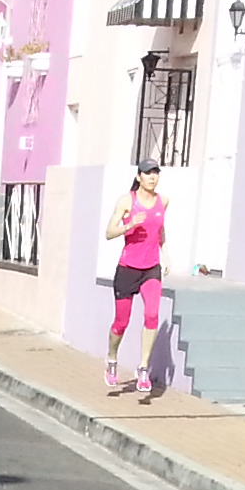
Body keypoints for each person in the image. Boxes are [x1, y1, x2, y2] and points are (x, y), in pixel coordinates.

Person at [102, 163, 168, 401]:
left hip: (151, 268)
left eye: (155, 173)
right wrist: (129, 225)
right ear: (139, 177)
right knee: (121, 322)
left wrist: (166, 254)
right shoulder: (126, 201)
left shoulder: (163, 201)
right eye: (148, 173)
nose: (152, 177)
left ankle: (143, 368)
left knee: (152, 314)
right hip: (128, 268)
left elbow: (160, 230)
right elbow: (109, 233)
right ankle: (112, 358)